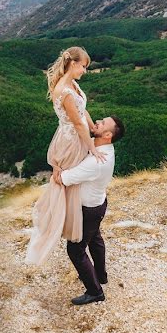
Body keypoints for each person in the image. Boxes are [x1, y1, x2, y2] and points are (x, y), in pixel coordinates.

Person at [24, 47, 106, 266]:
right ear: (72, 63)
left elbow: (83, 113)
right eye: (83, 66)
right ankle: (68, 225)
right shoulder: (64, 90)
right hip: (71, 141)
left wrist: (93, 128)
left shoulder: (73, 86)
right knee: (69, 183)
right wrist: (92, 146)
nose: (85, 71)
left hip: (76, 136)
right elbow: (77, 123)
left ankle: (84, 225)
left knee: (76, 181)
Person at [54, 115, 125, 306]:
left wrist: (56, 169)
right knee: (95, 239)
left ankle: (95, 291)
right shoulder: (102, 146)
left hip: (89, 210)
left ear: (108, 134)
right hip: (98, 204)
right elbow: (82, 115)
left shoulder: (96, 161)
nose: (97, 123)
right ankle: (100, 276)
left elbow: (65, 179)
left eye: (102, 123)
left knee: (75, 249)